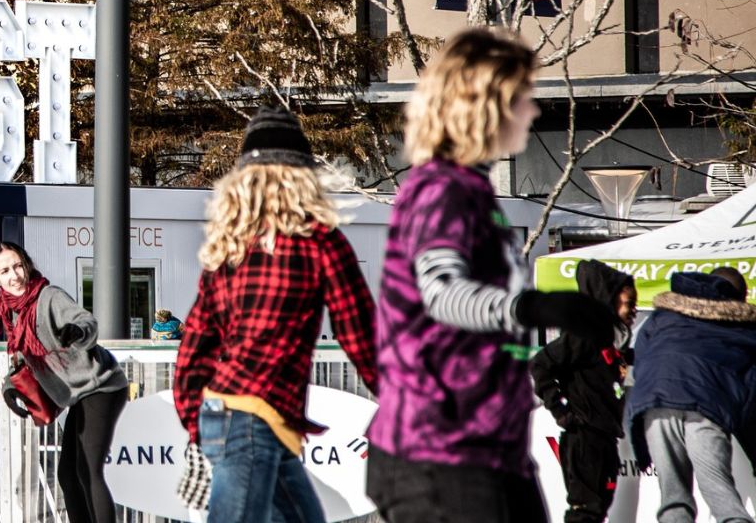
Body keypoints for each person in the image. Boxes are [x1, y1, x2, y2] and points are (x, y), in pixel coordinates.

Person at [363, 28, 616, 523]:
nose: (533, 111)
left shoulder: (470, 191)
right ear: (488, 103)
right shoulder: (442, 189)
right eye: (523, 97)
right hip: (438, 448)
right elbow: (441, 290)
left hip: (486, 445)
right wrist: (532, 306)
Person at [171, 107, 380, 523]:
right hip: (254, 420)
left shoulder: (229, 248)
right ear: (301, 177)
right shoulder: (320, 242)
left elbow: (195, 346)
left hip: (230, 415)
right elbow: (361, 337)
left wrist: (196, 419)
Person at [0, 241, 127, 523]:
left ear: (26, 264)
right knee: (67, 474)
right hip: (79, 395)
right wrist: (9, 389)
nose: (14, 275)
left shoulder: (48, 296)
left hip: (102, 385)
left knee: (88, 470)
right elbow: (20, 361)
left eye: (17, 266)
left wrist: (76, 331)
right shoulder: (13, 313)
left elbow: (87, 321)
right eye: (5, 271)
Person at [623, 272, 756, 523]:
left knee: (674, 499)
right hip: (706, 408)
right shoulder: (743, 330)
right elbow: (752, 393)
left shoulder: (664, 316)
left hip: (655, 402)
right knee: (721, 495)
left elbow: (642, 359)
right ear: (742, 296)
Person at [530, 260, 635, 523]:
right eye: (628, 304)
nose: (633, 311)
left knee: (597, 509)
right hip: (584, 437)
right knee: (585, 510)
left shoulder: (608, 341)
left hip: (604, 435)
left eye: (635, 304)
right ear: (609, 302)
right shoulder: (582, 336)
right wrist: (561, 410)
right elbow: (541, 365)